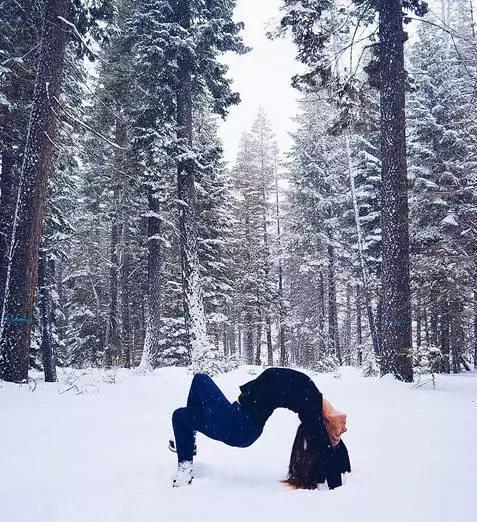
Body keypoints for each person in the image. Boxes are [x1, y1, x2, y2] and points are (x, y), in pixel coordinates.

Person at [170, 367, 350, 488]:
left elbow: (324, 445)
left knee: (200, 379)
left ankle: (186, 459)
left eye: (340, 430)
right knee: (181, 416)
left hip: (239, 425)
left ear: (326, 426)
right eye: (343, 427)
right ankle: (186, 459)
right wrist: (343, 460)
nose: (344, 427)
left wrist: (337, 486)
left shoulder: (311, 407)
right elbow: (330, 442)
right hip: (235, 419)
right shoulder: (313, 394)